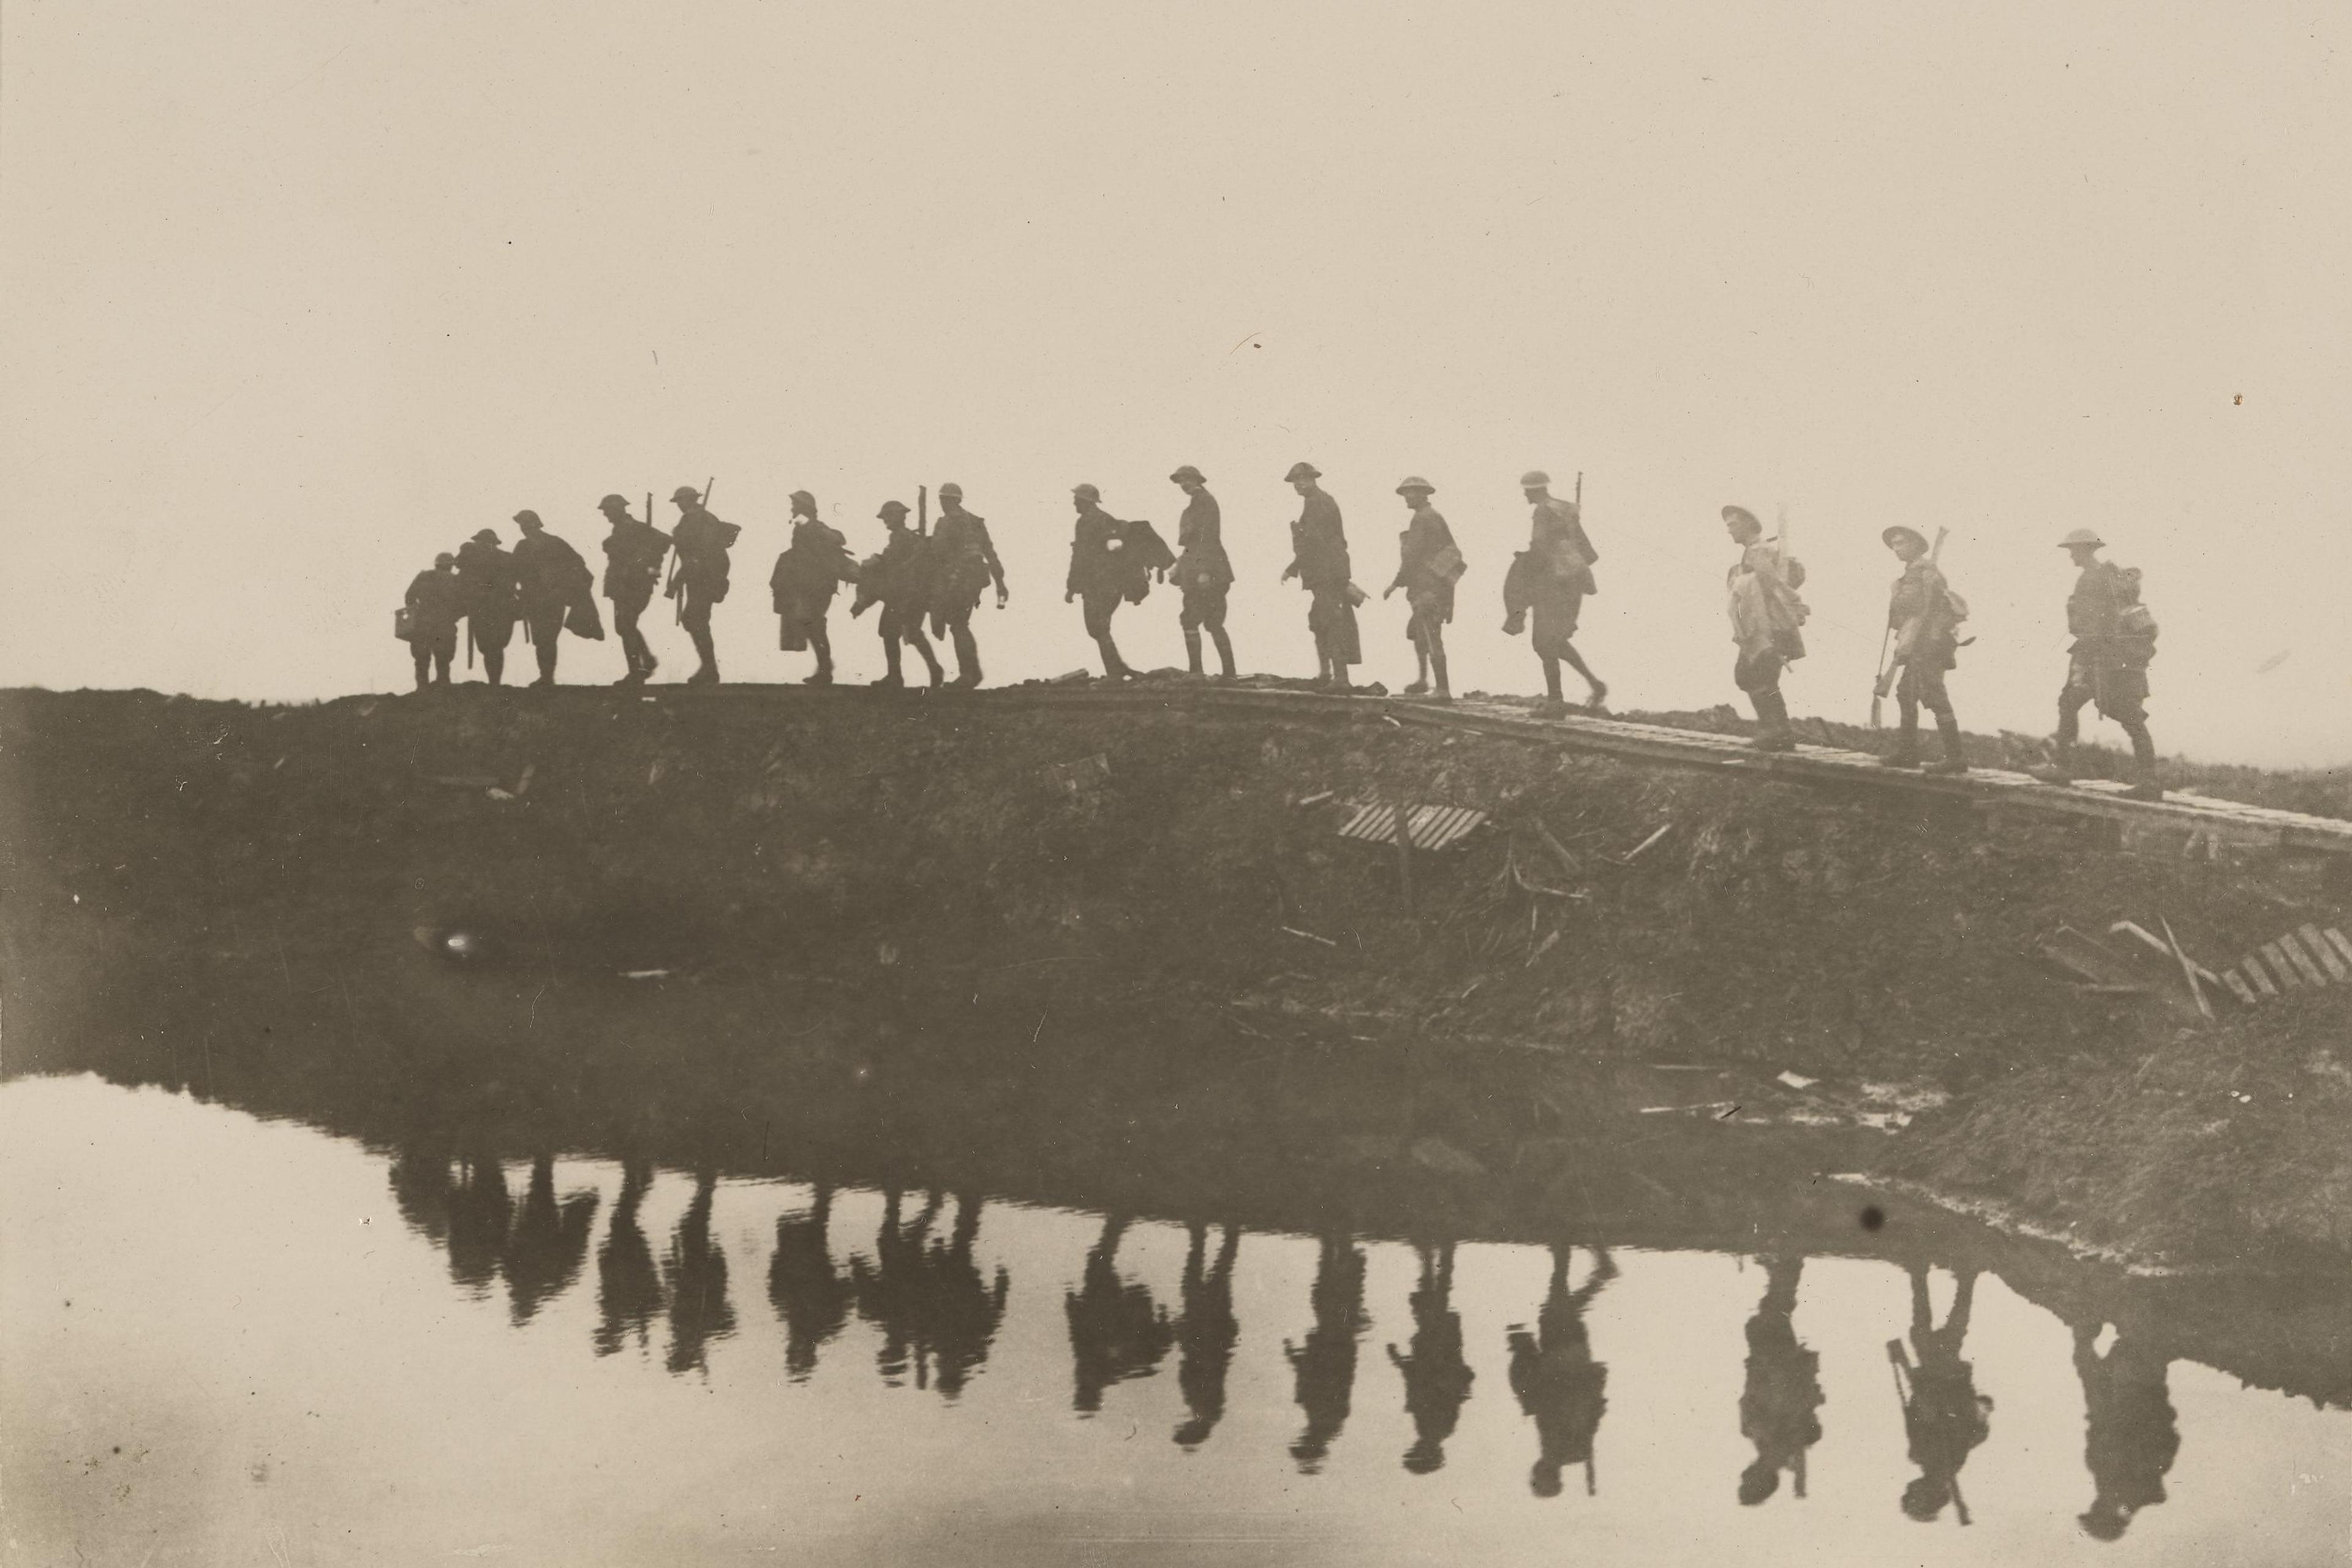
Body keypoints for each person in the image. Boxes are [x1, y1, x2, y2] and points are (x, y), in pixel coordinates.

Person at [2030, 529, 2163, 801]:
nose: (2070, 555)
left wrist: (2085, 662)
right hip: (2115, 657)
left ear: (2084, 550)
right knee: (2123, 714)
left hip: (2098, 658)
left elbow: (2091, 625)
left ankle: (2063, 767)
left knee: (2089, 707)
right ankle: (2148, 779)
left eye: (2073, 550)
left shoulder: (2090, 580)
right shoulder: (2108, 575)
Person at [1508, 1243, 1615, 1498]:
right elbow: (1553, 1402)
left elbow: (1594, 1414)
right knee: (1557, 1306)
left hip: (1579, 1362)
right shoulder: (1554, 1449)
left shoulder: (1576, 1452)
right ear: (1546, 1476)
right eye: (1537, 1478)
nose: (1534, 1474)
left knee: (1560, 1307)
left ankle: (1591, 1270)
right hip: (1560, 1364)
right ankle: (1571, 1257)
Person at [1891, 1265, 1992, 1525]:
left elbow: (1917, 1416)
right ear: (1928, 1492)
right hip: (1942, 1382)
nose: (1911, 1488)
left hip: (1939, 1382)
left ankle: (1956, 1278)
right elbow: (1929, 1417)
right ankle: (1943, 1275)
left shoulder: (1934, 1462)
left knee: (1940, 1331)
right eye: (1914, 1493)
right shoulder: (1934, 1460)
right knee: (1937, 1331)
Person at [1504, 472, 1606, 716]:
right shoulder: (1565, 510)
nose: (1525, 495)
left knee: (1543, 642)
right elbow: (1590, 554)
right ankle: (1594, 685)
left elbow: (1538, 550)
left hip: (1552, 586)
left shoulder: (1542, 512)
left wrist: (1527, 569)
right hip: (1574, 584)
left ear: (1534, 491)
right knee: (1556, 641)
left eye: (1527, 490)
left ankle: (1556, 703)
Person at [2072, 1321, 2179, 1542]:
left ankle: (2085, 1321)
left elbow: (2100, 1441)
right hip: (2135, 1402)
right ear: (2109, 1515)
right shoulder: (2135, 1488)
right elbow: (2162, 1439)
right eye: (2097, 1512)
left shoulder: (2111, 1487)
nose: (2094, 1505)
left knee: (2088, 1361)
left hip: (2110, 1410)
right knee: (2130, 1351)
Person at [1874, 526, 1969, 773]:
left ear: (1916, 546)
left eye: (1901, 543)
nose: (1896, 548)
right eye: (1894, 544)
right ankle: (1908, 753)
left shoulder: (1923, 572)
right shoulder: (1916, 571)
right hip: (1921, 642)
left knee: (1934, 695)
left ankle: (1956, 757)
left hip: (1931, 643)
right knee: (1906, 693)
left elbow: (1912, 604)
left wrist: (1895, 594)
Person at [1064, 1214, 1175, 1414]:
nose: (1082, 1381)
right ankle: (1119, 1221)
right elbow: (1153, 1354)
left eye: (1082, 1386)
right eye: (1085, 1388)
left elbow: (1078, 1334)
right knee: (1098, 1262)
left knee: (1098, 1263)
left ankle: (1118, 1222)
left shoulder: (1097, 1366)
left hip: (1116, 1308)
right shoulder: (1112, 1369)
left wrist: (1072, 1304)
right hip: (1123, 1308)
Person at [1737, 1257, 1825, 1505]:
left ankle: (1782, 1270)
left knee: (1769, 1318)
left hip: (1768, 1370)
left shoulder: (1768, 1451)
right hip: (1780, 1372)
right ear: (1761, 1481)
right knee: (1773, 1318)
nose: (1745, 1475)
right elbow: (1786, 1410)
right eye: (1749, 1482)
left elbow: (1752, 1405)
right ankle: (1788, 1265)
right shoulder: (1777, 1453)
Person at [1722, 504, 1809, 752]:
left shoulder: (1759, 551)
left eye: (1733, 525)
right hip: (1760, 626)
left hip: (1769, 627)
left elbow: (1773, 583)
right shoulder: (1753, 551)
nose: (1729, 531)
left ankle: (1776, 732)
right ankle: (1776, 731)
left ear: (1749, 525)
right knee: (1754, 674)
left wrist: (1795, 606)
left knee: (1756, 674)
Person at [1388, 1242, 1474, 1474]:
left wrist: (1402, 1363)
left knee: (1437, 1303)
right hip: (1437, 1355)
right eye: (1417, 1452)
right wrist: (1400, 1361)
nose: (1415, 1447)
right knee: (1435, 1304)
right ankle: (1437, 1256)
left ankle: (1438, 1256)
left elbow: (1421, 1387)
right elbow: (1421, 1387)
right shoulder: (1432, 1429)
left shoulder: (1438, 1430)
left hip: (1440, 1354)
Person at [1284, 1234, 1368, 1473]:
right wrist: (1296, 1358)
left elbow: (1310, 1380)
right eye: (1303, 1444)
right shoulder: (1327, 1417)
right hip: (1334, 1344)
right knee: (1332, 1298)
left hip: (1332, 1345)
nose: (1301, 1438)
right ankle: (1339, 1245)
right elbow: (1319, 1379)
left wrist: (1296, 1358)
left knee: (1328, 1297)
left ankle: (1336, 1246)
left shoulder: (1326, 1418)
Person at [1280, 462, 1360, 690]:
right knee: (1318, 620)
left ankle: (1341, 678)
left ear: (1313, 479)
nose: (1297, 484)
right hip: (1324, 572)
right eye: (1295, 480)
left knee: (1331, 622)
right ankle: (1327, 674)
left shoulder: (1318, 503)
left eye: (1302, 479)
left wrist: (1293, 567)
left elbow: (1315, 542)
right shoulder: (1315, 502)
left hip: (1327, 573)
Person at [768, 1182, 854, 1382]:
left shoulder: (797, 1317)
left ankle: (823, 1187)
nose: (795, 1344)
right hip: (809, 1262)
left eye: (793, 1350)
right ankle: (823, 1186)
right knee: (816, 1223)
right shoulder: (826, 1324)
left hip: (804, 1262)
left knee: (814, 1223)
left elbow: (776, 1285)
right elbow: (846, 1293)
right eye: (799, 1350)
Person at [1384, 477, 1459, 702]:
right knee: (1420, 634)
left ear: (1424, 495)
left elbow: (1412, 556)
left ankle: (1443, 690)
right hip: (1428, 587)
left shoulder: (1425, 519)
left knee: (1431, 634)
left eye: (1412, 493)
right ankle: (1424, 680)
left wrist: (1395, 584)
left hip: (1429, 589)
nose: (1408, 497)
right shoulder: (1428, 517)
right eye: (1406, 493)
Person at [769, 491, 855, 685]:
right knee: (812, 625)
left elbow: (839, 539)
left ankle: (825, 669)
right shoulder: (802, 528)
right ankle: (825, 667)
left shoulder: (813, 527)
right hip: (809, 585)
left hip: (819, 586)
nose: (792, 508)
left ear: (805, 508)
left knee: (814, 625)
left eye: (795, 505)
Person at [856, 501, 945, 688]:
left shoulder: (901, 537)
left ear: (899, 516)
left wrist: (875, 562)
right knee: (906, 633)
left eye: (888, 516)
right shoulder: (905, 537)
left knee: (894, 633)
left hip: (905, 595)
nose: (885, 520)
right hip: (907, 594)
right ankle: (927, 670)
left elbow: (893, 564)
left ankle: (898, 676)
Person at [930, 482, 1008, 687]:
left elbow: (938, 553)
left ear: (950, 500)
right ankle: (971, 673)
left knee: (958, 625)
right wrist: (1000, 583)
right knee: (960, 624)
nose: (942, 503)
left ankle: (969, 674)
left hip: (959, 578)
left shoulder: (946, 522)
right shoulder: (975, 521)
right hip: (974, 578)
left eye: (944, 499)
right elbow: (990, 553)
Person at [1173, 1221, 1241, 1449]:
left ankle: (1207, 1236)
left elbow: (1190, 1370)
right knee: (1215, 1279)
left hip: (1204, 1336)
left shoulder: (1202, 1407)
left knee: (1201, 1281)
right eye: (1186, 1428)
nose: (1184, 1424)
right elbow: (1204, 1368)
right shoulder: (1207, 1406)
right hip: (1209, 1335)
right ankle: (1226, 1233)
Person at [511, 510, 594, 687]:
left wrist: (559, 580)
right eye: (521, 525)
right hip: (540, 599)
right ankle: (546, 677)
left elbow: (578, 563)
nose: (523, 528)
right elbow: (513, 571)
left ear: (533, 525)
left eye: (524, 524)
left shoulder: (551, 544)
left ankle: (547, 677)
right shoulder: (527, 546)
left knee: (545, 638)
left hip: (551, 598)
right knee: (544, 639)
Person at [1168, 466, 1236, 679]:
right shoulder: (1196, 504)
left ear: (1197, 480)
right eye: (1181, 481)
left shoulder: (1204, 502)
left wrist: (1204, 571)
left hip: (1208, 572)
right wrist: (1179, 566)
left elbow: (1208, 538)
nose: (1183, 484)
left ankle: (1201, 673)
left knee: (1199, 620)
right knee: (1204, 621)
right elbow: (1192, 544)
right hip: (1200, 570)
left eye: (1187, 479)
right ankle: (1223, 673)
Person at [667, 484, 739, 685]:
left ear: (691, 499)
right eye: (678, 501)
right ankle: (709, 669)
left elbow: (705, 551)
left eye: (682, 500)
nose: (679, 505)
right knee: (694, 620)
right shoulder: (691, 519)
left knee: (694, 619)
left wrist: (680, 578)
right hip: (696, 577)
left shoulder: (704, 519)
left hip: (705, 577)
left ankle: (710, 670)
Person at [1065, 483, 1136, 680]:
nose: (1074, 503)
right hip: (1113, 584)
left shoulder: (1086, 522)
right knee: (1100, 627)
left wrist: (1071, 588)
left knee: (1097, 627)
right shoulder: (1107, 519)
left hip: (1098, 584)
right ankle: (1118, 669)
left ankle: (1116, 673)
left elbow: (1079, 556)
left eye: (1076, 499)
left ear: (1085, 501)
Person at [598, 493, 670, 686]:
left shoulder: (636, 528)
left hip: (634, 585)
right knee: (623, 626)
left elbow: (664, 542)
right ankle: (645, 661)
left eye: (607, 511)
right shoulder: (621, 530)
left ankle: (637, 671)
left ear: (618, 509)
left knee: (626, 625)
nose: (606, 515)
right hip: (622, 586)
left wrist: (649, 568)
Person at [454, 527, 521, 686]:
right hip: (498, 608)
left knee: (492, 647)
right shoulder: (505, 558)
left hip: (488, 608)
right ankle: (494, 683)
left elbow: (461, 580)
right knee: (493, 647)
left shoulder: (472, 560)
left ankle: (494, 683)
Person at [402, 552, 462, 691]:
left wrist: (418, 610)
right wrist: (454, 616)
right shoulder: (455, 580)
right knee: (444, 659)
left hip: (422, 624)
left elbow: (409, 597)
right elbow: (462, 604)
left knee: (421, 659)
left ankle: (422, 689)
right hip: (445, 625)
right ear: (451, 566)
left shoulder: (424, 576)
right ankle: (442, 687)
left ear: (436, 564)